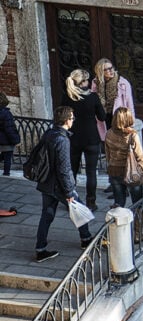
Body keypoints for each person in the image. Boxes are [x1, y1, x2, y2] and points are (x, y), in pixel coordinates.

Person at [35, 106, 93, 262]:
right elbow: (64, 168)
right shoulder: (62, 140)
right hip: (59, 186)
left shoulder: (49, 133)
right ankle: (86, 239)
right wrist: (69, 192)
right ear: (67, 120)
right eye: (72, 118)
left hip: (46, 183)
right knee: (79, 209)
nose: (73, 120)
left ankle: (40, 249)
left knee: (46, 216)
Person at [61, 69, 106, 210]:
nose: (88, 82)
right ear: (82, 83)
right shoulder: (93, 97)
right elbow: (102, 117)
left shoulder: (67, 98)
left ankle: (71, 200)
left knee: (72, 170)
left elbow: (61, 117)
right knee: (91, 172)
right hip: (91, 138)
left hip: (73, 138)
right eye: (87, 80)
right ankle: (91, 202)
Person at [104, 107, 143, 213]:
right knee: (137, 204)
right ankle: (137, 228)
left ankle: (119, 227)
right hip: (133, 173)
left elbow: (108, 155)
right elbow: (140, 158)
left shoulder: (109, 133)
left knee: (119, 204)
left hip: (114, 170)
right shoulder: (132, 135)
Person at [93, 57, 135, 134]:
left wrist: (131, 122)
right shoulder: (95, 83)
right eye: (107, 69)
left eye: (111, 68)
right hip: (103, 117)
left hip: (118, 117)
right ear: (100, 71)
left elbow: (130, 103)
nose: (111, 71)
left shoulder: (122, 83)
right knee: (107, 140)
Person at [0, 91, 19, 176]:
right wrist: (16, 140)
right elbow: (9, 129)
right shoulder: (6, 114)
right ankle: (6, 174)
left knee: (4, 156)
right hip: (6, 140)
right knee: (7, 157)